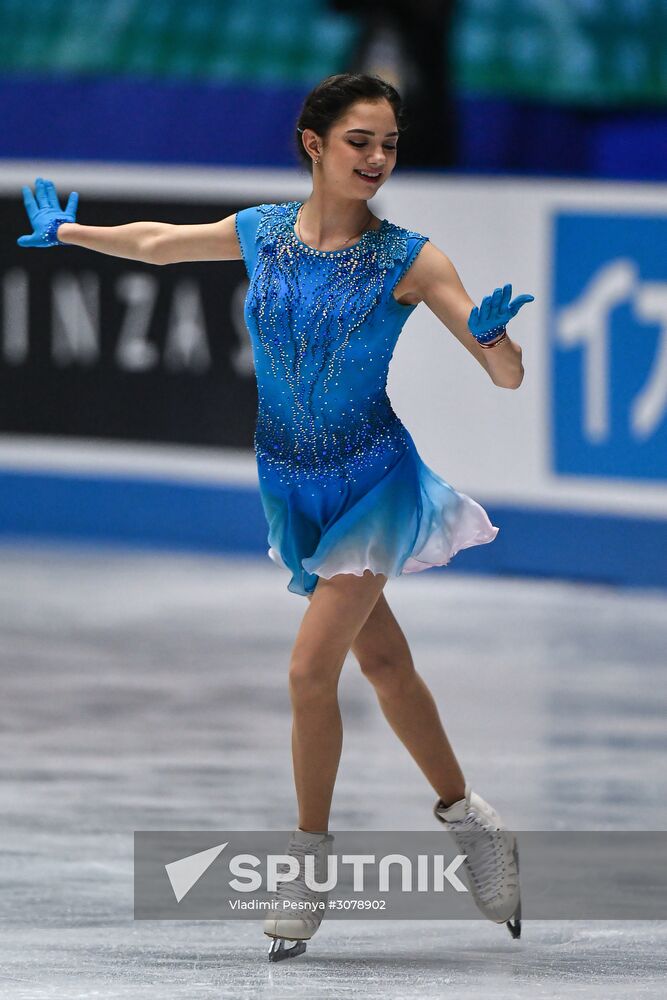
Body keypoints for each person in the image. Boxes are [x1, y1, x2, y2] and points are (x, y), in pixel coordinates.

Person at [17, 73, 532, 963]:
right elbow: (161, 243)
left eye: (389, 145)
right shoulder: (261, 233)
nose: (377, 159)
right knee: (386, 663)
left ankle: (306, 863)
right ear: (314, 144)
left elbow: (508, 377)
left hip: (374, 483)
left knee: (308, 672)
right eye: (360, 141)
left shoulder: (411, 257)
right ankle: (470, 819)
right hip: (291, 483)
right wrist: (72, 231)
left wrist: (492, 339)